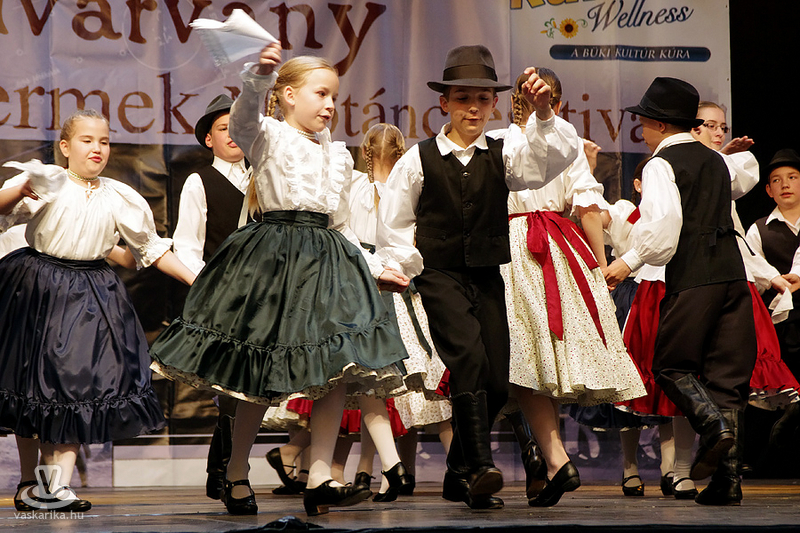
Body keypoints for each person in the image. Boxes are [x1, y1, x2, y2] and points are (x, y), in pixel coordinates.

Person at [149, 42, 411, 517]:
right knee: (260, 369)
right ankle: (235, 470)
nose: (330, 105)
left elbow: (343, 226)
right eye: (321, 94)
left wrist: (376, 268)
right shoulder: (267, 134)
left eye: (334, 97)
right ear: (289, 95)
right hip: (275, 259)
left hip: (327, 264)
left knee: (336, 367)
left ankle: (320, 475)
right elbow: (243, 119)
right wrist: (258, 77)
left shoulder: (339, 156)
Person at [377, 45, 581, 509]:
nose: (473, 107)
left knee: (496, 380)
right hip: (440, 275)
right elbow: (395, 221)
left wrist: (543, 113)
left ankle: (457, 474)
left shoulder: (504, 152)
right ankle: (480, 468)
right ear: (444, 103)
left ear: (494, 105)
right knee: (468, 360)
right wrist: (402, 267)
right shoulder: (420, 158)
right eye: (463, 98)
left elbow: (548, 162)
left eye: (483, 99)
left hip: (488, 276)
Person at [0, 109, 196, 512]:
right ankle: (32, 482)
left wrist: (196, 280)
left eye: (104, 141)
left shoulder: (119, 195)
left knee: (77, 384)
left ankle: (55, 487)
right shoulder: (49, 182)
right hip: (41, 287)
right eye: (87, 140)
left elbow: (149, 249)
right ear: (65, 146)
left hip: (89, 293)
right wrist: (21, 190)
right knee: (33, 385)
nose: (97, 148)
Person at [495, 68, 646, 507]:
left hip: (515, 248)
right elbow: (587, 208)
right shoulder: (568, 143)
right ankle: (545, 464)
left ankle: (550, 459)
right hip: (561, 249)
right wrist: (598, 268)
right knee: (546, 361)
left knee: (525, 361)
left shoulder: (500, 140)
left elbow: (586, 205)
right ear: (556, 104)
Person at [605, 77, 759, 506]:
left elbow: (664, 228)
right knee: (726, 379)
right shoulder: (715, 160)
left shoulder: (660, 164)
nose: (641, 130)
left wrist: (628, 261)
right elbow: (741, 180)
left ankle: (713, 427)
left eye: (643, 122)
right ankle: (728, 482)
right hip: (734, 277)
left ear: (657, 124)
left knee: (670, 366)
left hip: (695, 276)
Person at [348, 123, 451, 500]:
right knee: (424, 385)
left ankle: (384, 470)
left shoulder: (353, 187)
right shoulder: (405, 190)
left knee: (372, 382)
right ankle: (447, 468)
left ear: (365, 153)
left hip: (366, 287)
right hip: (401, 284)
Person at [172, 93, 252, 502]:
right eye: (223, 128)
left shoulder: (263, 176)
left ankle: (225, 467)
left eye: (238, 127)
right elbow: (187, 245)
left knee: (252, 387)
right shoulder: (199, 181)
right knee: (231, 386)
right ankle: (228, 470)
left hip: (265, 295)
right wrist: (211, 287)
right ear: (209, 139)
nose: (232, 135)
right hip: (223, 295)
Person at [746, 148, 800, 452]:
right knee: (775, 388)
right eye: (777, 180)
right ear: (768, 190)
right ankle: (765, 457)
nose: (785, 184)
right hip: (778, 322)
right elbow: (752, 275)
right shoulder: (759, 229)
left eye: (792, 177)